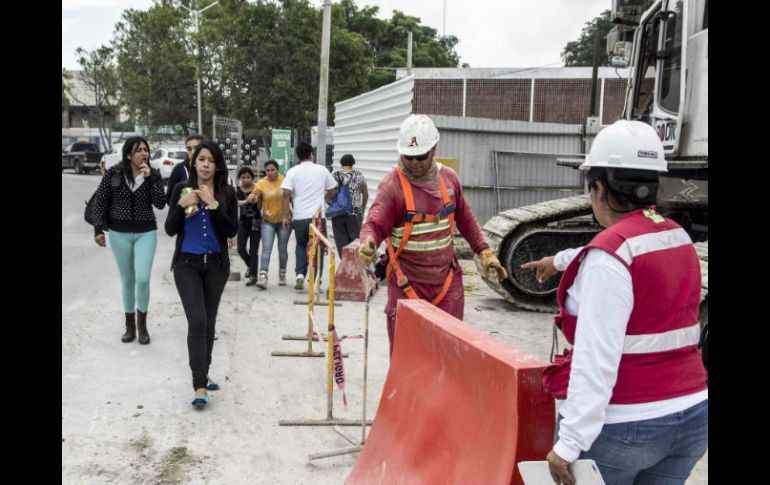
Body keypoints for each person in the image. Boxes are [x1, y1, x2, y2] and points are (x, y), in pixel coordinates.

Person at [521, 120, 707, 485]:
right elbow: (619, 248)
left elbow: (596, 361)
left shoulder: (611, 259)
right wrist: (558, 261)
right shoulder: (676, 236)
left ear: (600, 188)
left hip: (627, 426)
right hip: (692, 417)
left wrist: (569, 443)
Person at [356, 114, 508, 356]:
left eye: (421, 157)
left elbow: (466, 219)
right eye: (408, 157)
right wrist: (369, 242)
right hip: (406, 286)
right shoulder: (391, 187)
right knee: (407, 361)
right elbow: (374, 223)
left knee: (448, 357)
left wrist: (485, 251)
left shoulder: (449, 180)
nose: (414, 163)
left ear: (434, 149)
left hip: (446, 286)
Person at [165, 141, 238, 409]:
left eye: (211, 160)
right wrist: (180, 206)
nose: (206, 164)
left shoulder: (227, 193)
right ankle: (199, 385)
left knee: (208, 322)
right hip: (186, 265)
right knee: (196, 320)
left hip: (216, 266)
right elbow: (170, 230)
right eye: (201, 159)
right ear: (193, 162)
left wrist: (214, 205)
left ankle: (204, 373)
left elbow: (232, 230)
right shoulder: (179, 189)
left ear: (217, 165)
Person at [92, 136, 166, 345]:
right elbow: (101, 201)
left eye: (146, 150)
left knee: (142, 278)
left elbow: (161, 204)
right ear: (128, 155)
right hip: (118, 233)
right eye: (138, 150)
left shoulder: (154, 174)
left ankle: (143, 326)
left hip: (146, 232)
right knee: (127, 280)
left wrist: (151, 178)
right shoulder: (114, 173)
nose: (144, 154)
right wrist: (98, 229)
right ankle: (130, 327)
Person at [280, 142, 337, 290]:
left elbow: (285, 194)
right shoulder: (322, 170)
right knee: (318, 247)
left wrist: (286, 216)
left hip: (299, 217)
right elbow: (332, 191)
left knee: (300, 245)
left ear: (298, 156)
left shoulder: (292, 172)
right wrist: (322, 199)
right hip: (317, 217)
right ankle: (317, 279)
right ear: (312, 154)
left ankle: (300, 274)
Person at [248, 160, 290, 289]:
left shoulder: (285, 181)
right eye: (268, 170)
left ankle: (282, 272)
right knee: (266, 249)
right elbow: (255, 193)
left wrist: (287, 216)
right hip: (267, 221)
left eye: (273, 170)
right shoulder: (262, 183)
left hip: (284, 221)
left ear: (277, 170)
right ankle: (263, 276)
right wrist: (252, 197)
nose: (270, 172)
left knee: (282, 250)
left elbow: (290, 198)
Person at [329, 154, 368, 257]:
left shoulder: (335, 175)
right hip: (355, 213)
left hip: (338, 213)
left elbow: (329, 192)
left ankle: (345, 263)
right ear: (353, 164)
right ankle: (354, 264)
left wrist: (330, 206)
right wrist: (362, 209)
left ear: (341, 164)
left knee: (341, 241)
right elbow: (366, 195)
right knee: (355, 241)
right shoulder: (359, 175)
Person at [235, 166, 261, 285]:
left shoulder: (257, 189)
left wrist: (257, 200)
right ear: (240, 178)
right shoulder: (237, 190)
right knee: (240, 248)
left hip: (256, 221)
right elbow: (236, 203)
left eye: (248, 177)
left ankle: (253, 276)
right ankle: (250, 266)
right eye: (243, 177)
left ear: (252, 177)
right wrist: (246, 201)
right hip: (243, 222)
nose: (246, 179)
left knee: (253, 250)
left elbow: (260, 205)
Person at [166, 134, 204, 205]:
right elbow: (169, 198)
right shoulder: (179, 168)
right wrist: (182, 203)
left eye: (196, 148)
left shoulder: (209, 168)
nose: (193, 152)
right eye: (189, 149)